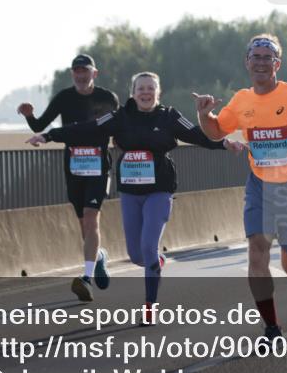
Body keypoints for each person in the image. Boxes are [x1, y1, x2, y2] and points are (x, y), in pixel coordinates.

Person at [28, 71, 244, 315]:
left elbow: (196, 135)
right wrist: (49, 136)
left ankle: (150, 305)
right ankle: (155, 264)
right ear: (132, 93)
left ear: (158, 93)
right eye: (140, 88)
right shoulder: (120, 117)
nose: (145, 92)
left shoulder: (169, 116)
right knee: (137, 255)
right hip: (130, 191)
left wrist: (224, 143)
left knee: (149, 247)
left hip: (160, 190)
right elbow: (87, 129)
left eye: (150, 88)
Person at [193, 34, 287, 343]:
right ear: (247, 62)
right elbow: (215, 132)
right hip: (260, 185)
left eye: (268, 57)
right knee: (257, 253)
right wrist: (203, 114)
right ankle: (271, 328)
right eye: (256, 56)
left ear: (277, 64)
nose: (261, 62)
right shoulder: (241, 100)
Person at [18, 54, 119, 301]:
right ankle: (99, 256)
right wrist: (30, 116)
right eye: (76, 71)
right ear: (72, 74)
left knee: (91, 216)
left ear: (95, 73)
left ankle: (86, 277)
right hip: (73, 165)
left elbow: (117, 128)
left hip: (98, 164)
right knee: (83, 222)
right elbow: (39, 125)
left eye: (85, 71)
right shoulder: (64, 98)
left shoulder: (107, 98)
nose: (80, 75)